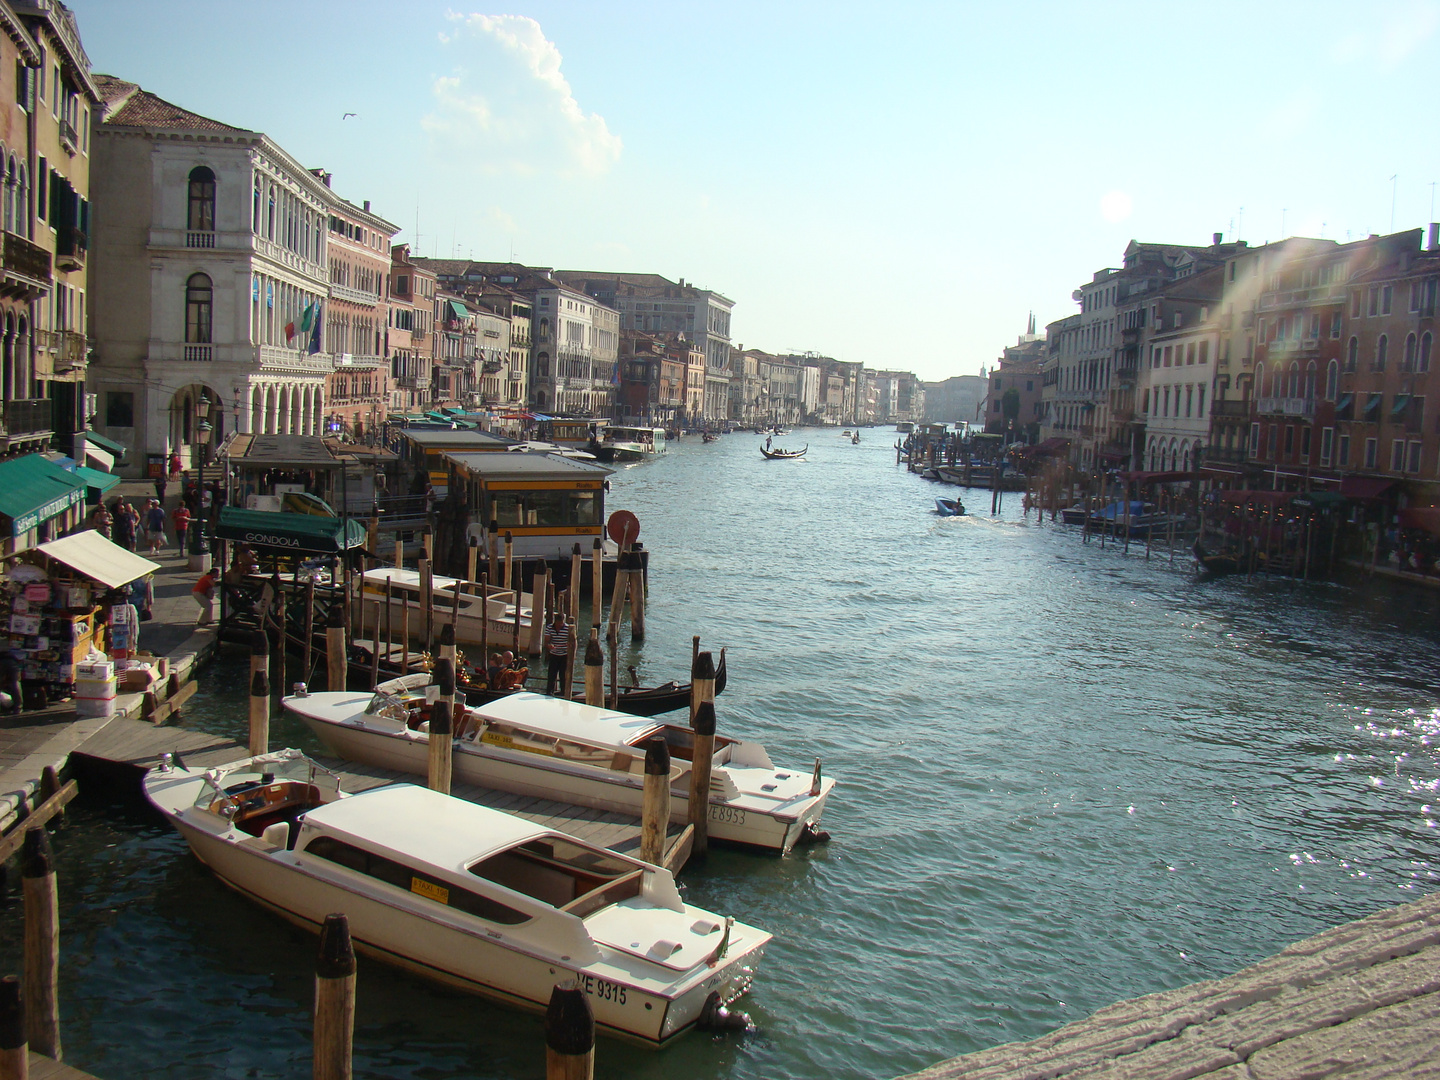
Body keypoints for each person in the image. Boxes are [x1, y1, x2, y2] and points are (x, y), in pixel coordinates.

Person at [542, 613, 572, 696]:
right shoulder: (549, 628)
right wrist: (549, 646)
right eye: (558, 623)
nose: (559, 625)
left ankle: (563, 692)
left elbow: (572, 641)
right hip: (554, 655)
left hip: (564, 655)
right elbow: (546, 642)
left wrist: (569, 645)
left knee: (563, 675)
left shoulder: (568, 628)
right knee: (552, 675)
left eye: (561, 623)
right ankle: (549, 692)